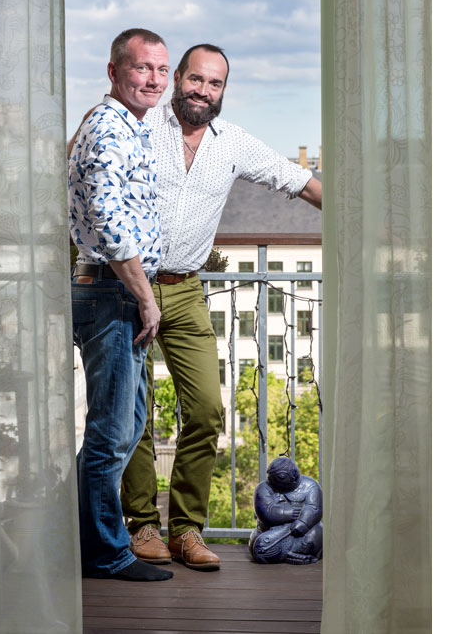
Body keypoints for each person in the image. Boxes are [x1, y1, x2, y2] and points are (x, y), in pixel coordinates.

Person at [69, 43, 322, 571]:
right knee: (128, 417)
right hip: (124, 284)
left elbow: (296, 179)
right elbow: (91, 181)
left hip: (184, 290)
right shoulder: (139, 125)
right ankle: (141, 526)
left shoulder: (233, 143)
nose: (204, 91)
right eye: (195, 79)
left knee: (206, 408)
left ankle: (186, 529)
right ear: (178, 78)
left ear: (224, 90)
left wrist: (375, 217)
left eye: (216, 84)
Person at [68, 28, 173, 581]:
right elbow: (111, 224)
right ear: (114, 72)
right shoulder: (110, 129)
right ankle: (107, 553)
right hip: (112, 290)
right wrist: (145, 296)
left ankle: (82, 537)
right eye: (141, 68)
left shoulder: (132, 128)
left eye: (161, 69)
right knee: (111, 432)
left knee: (126, 426)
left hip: (116, 289)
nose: (154, 79)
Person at [249, 457, 323, 565]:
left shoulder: (310, 486)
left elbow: (314, 508)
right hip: (270, 532)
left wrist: (303, 522)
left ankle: (302, 553)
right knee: (260, 546)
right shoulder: (263, 489)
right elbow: (265, 512)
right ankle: (282, 552)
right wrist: (288, 512)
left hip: (299, 533)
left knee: (316, 532)